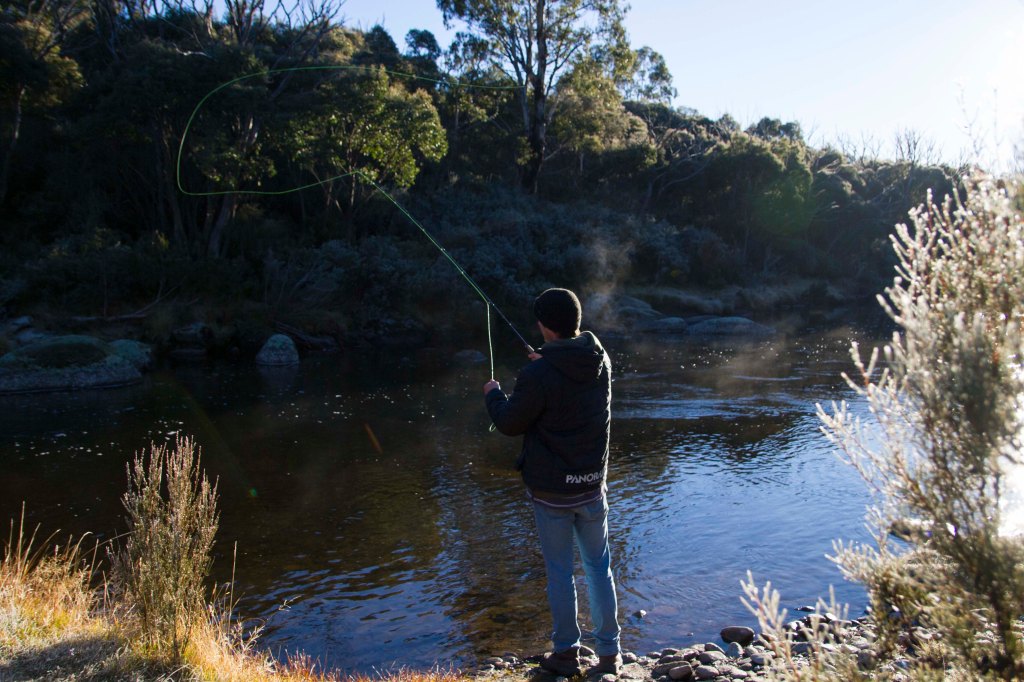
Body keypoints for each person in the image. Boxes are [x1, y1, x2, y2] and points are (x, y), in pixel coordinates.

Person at [483, 288, 621, 677]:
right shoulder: (599, 358)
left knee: (560, 571)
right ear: (576, 321)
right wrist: (544, 364)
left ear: (543, 326)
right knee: (599, 568)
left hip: (552, 494)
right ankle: (610, 653)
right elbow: (567, 378)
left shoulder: (537, 374)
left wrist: (493, 394)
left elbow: (509, 422)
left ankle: (566, 653)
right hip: (593, 485)